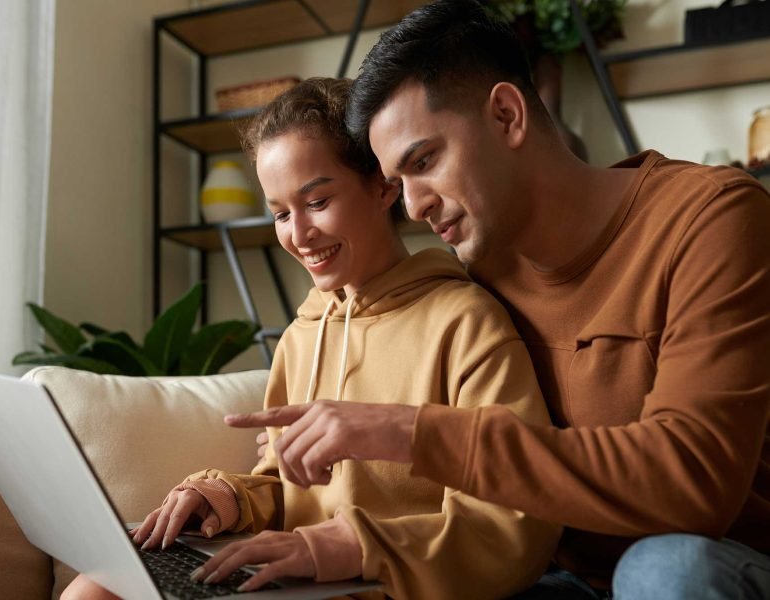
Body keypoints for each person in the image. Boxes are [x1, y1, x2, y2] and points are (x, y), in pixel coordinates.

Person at [226, 2, 770, 599]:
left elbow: (693, 482)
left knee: (663, 569)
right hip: (560, 580)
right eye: (398, 181)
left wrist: (404, 432)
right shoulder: (483, 271)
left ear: (507, 115)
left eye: (425, 161)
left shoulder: (711, 217)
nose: (413, 206)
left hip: (707, 561)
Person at [62, 77, 560, 600]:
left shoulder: (466, 323)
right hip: (297, 581)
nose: (298, 235)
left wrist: (349, 547)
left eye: (317, 201)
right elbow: (290, 486)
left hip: (393, 585)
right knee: (95, 588)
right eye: (281, 213)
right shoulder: (302, 335)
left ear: (383, 186)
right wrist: (226, 497)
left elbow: (515, 523)